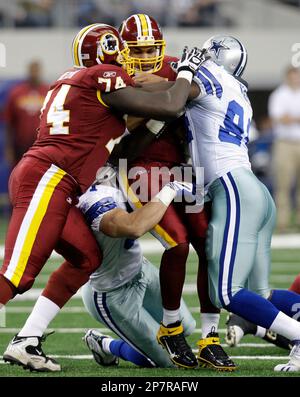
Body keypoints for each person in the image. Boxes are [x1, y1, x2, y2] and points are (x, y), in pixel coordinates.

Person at [1, 23, 206, 372]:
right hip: (49, 177)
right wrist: (183, 74)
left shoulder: (70, 82)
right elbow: (170, 106)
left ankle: (27, 339)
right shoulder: (104, 77)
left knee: (86, 257)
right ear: (110, 54)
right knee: (16, 274)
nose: (130, 64)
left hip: (61, 181)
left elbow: (132, 129)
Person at [117, 13, 235, 371]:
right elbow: (135, 122)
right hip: (140, 166)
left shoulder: (173, 67)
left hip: (186, 166)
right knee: (178, 243)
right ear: (124, 50)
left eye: (151, 47)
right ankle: (170, 326)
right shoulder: (113, 75)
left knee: (209, 244)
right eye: (137, 49)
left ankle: (210, 336)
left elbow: (208, 93)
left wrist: (169, 83)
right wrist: (173, 87)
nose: (145, 54)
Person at [179, 34, 300, 372]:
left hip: (232, 186)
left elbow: (171, 101)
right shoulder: (240, 91)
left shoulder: (206, 76)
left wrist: (182, 70)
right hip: (256, 192)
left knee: (227, 293)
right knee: (258, 295)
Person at [80, 166, 196, 368]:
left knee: (184, 328)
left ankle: (136, 341)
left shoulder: (119, 173)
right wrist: (170, 188)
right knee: (168, 360)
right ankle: (105, 345)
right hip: (112, 293)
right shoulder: (92, 198)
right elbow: (134, 227)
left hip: (141, 271)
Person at [268, 66, 300, 233]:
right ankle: (282, 223)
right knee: (283, 185)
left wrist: (291, 117)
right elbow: (279, 118)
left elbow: (287, 117)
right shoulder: (279, 95)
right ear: (287, 77)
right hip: (285, 143)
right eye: (293, 76)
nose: (296, 79)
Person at [4, 60, 48, 166]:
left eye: (36, 70)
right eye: (32, 70)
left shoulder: (48, 92)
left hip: (42, 145)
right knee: (17, 174)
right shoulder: (16, 92)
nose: (34, 73)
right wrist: (8, 148)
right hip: (20, 145)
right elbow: (9, 123)